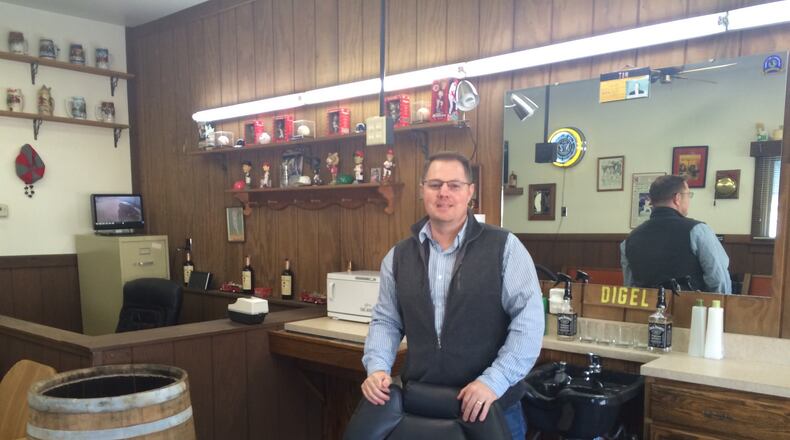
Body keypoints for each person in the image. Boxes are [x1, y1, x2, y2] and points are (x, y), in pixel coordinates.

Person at [361, 151, 544, 439]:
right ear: (422, 190)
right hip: (422, 407)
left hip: (490, 407)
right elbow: (386, 320)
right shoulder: (398, 256)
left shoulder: (505, 248)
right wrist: (376, 367)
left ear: (470, 192)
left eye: (454, 185)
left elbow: (529, 324)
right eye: (435, 184)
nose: (444, 192)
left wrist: (493, 382)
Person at [621, 175, 732, 293]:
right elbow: (719, 280)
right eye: (688, 195)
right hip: (690, 308)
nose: (689, 200)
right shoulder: (698, 231)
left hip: (647, 309)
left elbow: (629, 287)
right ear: (677, 198)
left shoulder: (629, 239)